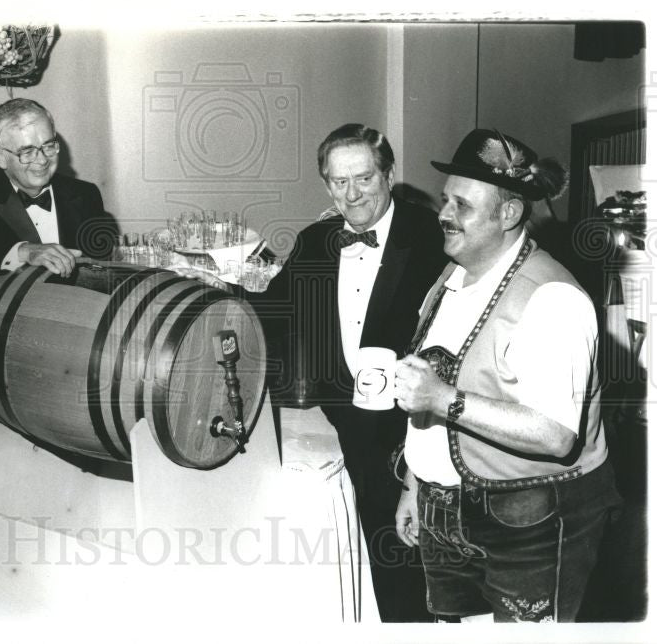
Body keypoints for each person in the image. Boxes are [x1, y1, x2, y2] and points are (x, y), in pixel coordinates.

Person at [393, 129, 620, 623]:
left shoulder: (553, 299)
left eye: (461, 205)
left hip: (530, 524)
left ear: (509, 214)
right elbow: (431, 384)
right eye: (444, 200)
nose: (443, 213)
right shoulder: (451, 278)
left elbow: (555, 435)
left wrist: (443, 399)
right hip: (443, 513)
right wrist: (416, 484)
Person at [254, 123, 447, 622]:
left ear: (388, 173)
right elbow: (273, 311)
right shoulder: (316, 240)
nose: (352, 194)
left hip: (415, 423)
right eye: (339, 182)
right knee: (372, 547)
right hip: (348, 419)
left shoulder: (430, 234)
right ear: (325, 184)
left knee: (426, 557)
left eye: (363, 178)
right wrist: (214, 290)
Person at [0, 98, 114, 283]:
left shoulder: (85, 194)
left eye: (48, 146)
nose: (42, 160)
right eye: (27, 151)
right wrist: (23, 252)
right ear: (0, 157)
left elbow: (101, 267)